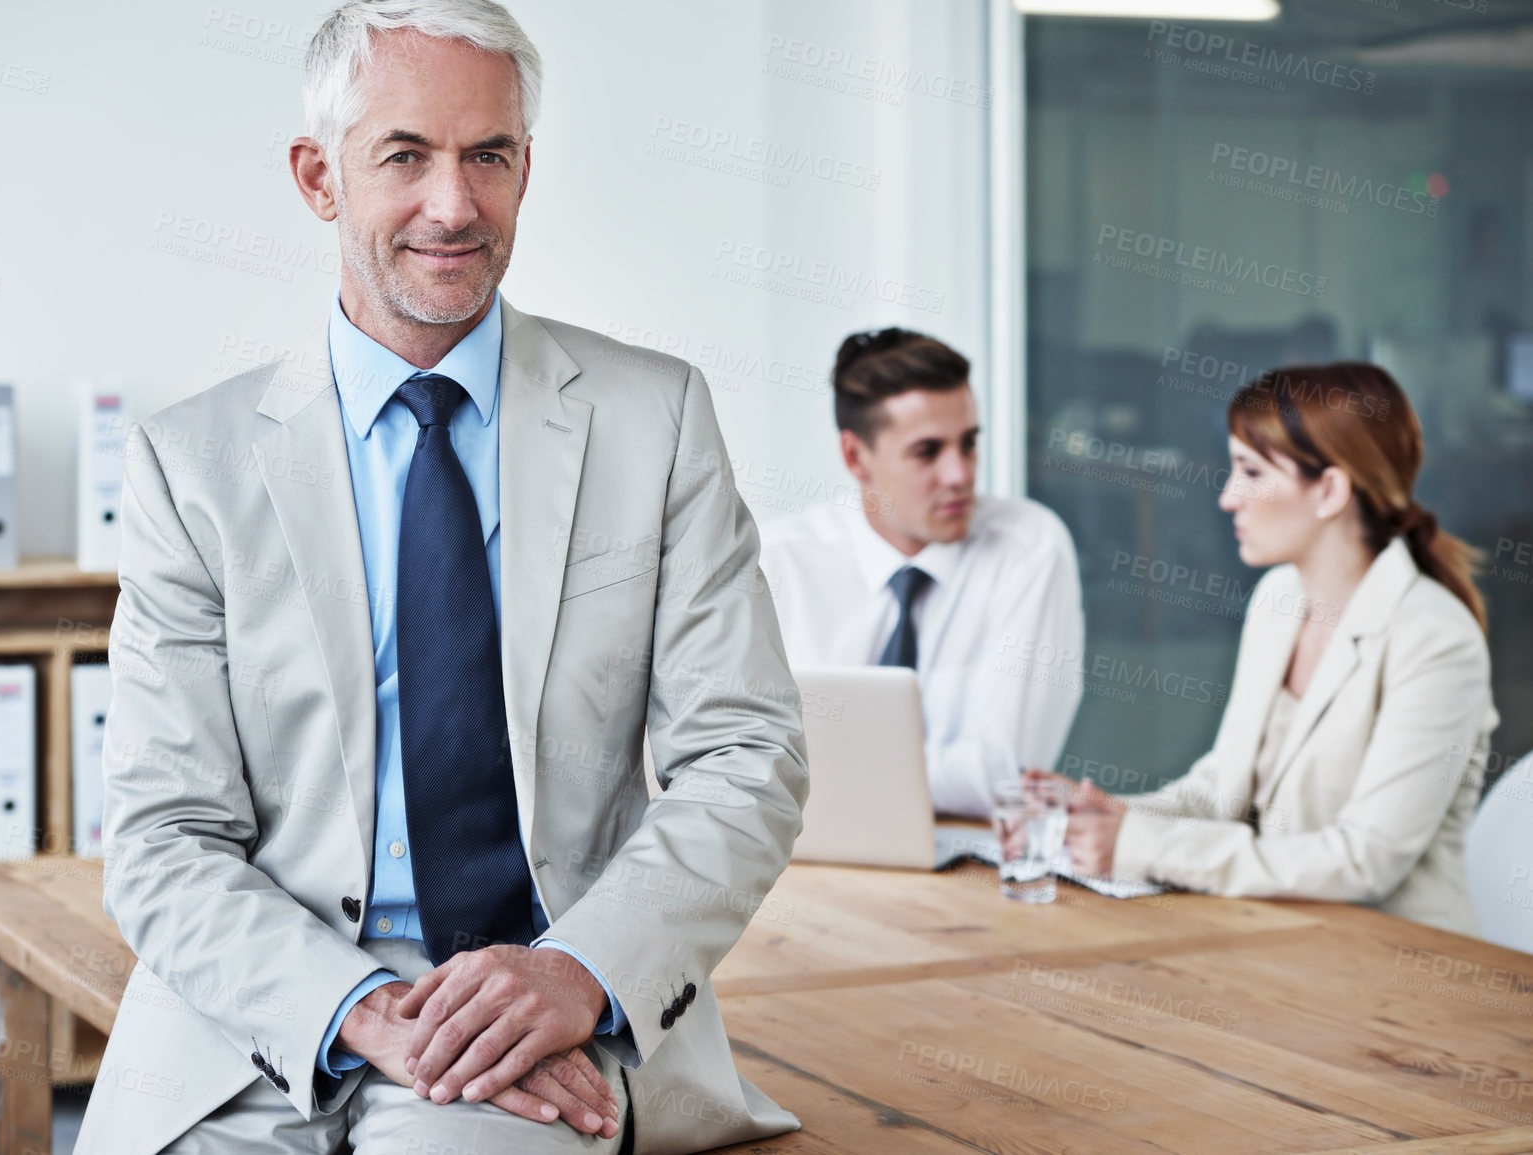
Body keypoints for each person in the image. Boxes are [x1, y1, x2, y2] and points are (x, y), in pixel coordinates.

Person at [73, 3, 808, 1152]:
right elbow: (165, 831)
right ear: (320, 178)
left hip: (536, 1013)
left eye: (488, 156)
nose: (453, 205)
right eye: (405, 156)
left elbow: (746, 752)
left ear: (526, 167)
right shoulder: (193, 465)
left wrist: (577, 970)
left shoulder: (653, 419)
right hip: (261, 1018)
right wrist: (354, 1006)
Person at [1061, 362, 1496, 937]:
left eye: (1250, 471)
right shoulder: (1278, 600)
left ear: (1331, 491)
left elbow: (1364, 859)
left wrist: (1143, 846)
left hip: (1391, 967)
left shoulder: (1436, 640)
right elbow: (1222, 789)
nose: (1227, 498)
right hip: (1270, 935)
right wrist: (1112, 815)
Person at [759, 328, 1084, 818]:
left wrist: (824, 774)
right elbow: (746, 759)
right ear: (855, 456)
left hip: (968, 861)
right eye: (927, 451)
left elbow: (1003, 774)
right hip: (810, 859)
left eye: (969, 443)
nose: (960, 474)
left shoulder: (1028, 547)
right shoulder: (780, 560)